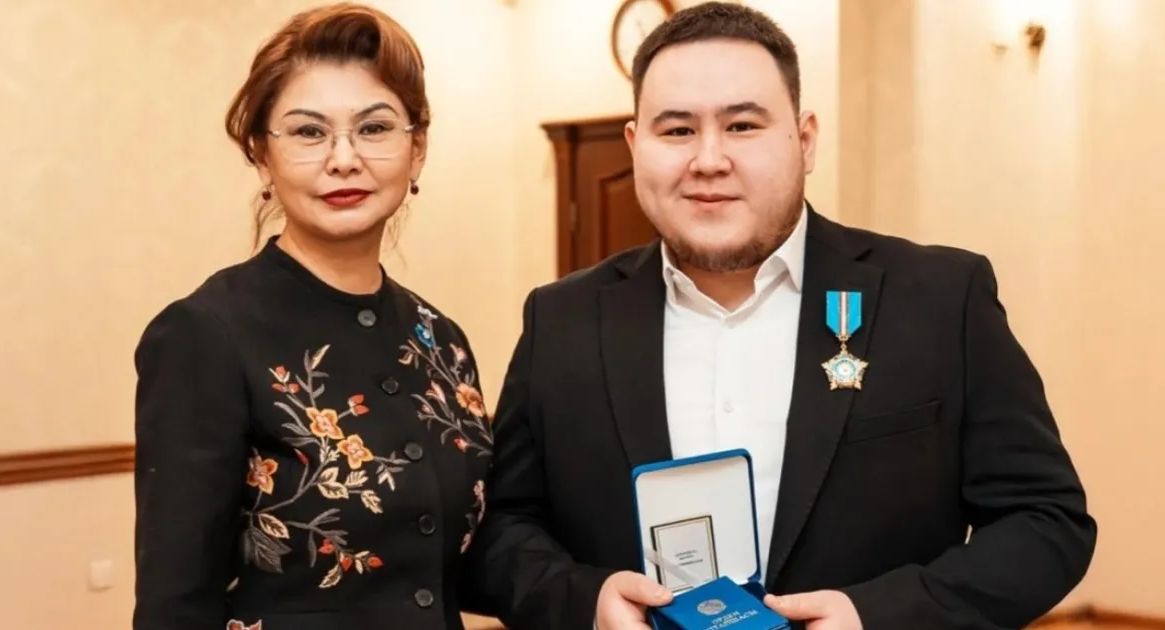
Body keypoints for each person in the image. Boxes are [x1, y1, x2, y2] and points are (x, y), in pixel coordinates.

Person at [466, 3, 1096, 629]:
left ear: (805, 139)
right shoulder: (562, 321)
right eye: (677, 130)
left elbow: (1045, 521)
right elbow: (500, 529)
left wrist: (875, 617)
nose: (708, 159)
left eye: (742, 125)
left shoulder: (939, 298)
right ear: (636, 145)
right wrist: (587, 602)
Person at [132, 5, 493, 629]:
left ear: (418, 149)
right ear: (261, 156)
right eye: (308, 132)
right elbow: (175, 602)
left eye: (375, 128)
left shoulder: (442, 340)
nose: (344, 158)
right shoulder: (205, 333)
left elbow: (468, 561)